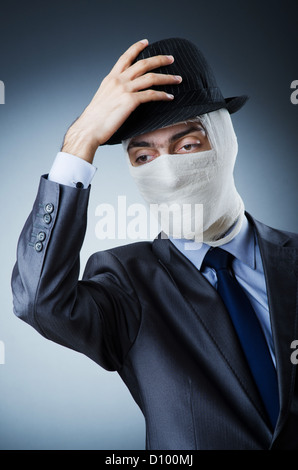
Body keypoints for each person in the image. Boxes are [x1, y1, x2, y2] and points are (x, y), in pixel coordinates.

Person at [11, 37, 298, 450]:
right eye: (143, 157)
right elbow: (39, 301)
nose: (169, 174)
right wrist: (81, 140)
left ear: (225, 141)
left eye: (187, 145)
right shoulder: (126, 283)